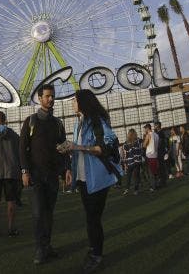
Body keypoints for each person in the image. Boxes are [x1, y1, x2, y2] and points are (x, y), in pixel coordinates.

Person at [67, 89, 120, 273]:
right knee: (90, 218)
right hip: (83, 178)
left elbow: (106, 146)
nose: (72, 103)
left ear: (83, 102)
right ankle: (94, 250)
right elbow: (78, 151)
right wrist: (70, 159)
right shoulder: (78, 123)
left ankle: (97, 256)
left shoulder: (98, 121)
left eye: (74, 100)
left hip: (97, 178)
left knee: (93, 219)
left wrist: (78, 146)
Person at [19, 84, 67, 265]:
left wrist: (66, 169)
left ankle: (47, 246)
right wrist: (24, 171)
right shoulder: (30, 121)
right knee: (38, 213)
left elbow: (63, 148)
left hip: (53, 175)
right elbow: (22, 149)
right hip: (36, 175)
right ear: (39, 98)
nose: (51, 99)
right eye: (47, 96)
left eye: (52, 96)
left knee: (49, 213)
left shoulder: (58, 123)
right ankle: (40, 248)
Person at [122, 129, 142, 195]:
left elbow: (126, 154)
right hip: (137, 161)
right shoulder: (138, 140)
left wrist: (125, 163)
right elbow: (141, 149)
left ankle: (127, 189)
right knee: (136, 176)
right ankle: (136, 190)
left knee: (128, 176)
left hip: (130, 161)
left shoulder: (126, 143)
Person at [143, 123, 159, 192]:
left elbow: (144, 145)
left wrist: (145, 139)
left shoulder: (148, 135)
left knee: (151, 172)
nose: (144, 130)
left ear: (147, 128)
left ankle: (153, 186)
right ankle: (156, 184)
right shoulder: (156, 134)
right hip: (155, 154)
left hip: (149, 155)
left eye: (145, 129)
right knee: (155, 171)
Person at [154, 121, 168, 188]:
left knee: (161, 167)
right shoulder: (159, 133)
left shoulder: (160, 133)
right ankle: (163, 181)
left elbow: (160, 142)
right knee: (161, 167)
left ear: (158, 126)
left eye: (155, 125)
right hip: (160, 151)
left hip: (160, 152)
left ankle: (163, 181)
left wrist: (156, 148)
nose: (155, 126)